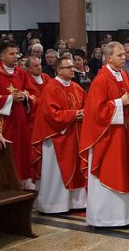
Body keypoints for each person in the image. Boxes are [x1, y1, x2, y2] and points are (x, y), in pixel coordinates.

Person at [79, 42, 129, 227]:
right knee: (111, 171)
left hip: (124, 134)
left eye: (124, 54)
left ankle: (127, 216)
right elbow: (96, 112)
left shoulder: (125, 75)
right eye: (119, 55)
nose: (123, 57)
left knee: (126, 171)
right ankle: (106, 218)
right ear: (108, 58)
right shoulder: (101, 80)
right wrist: (119, 103)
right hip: (107, 137)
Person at [31, 55, 87, 214]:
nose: (72, 70)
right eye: (69, 67)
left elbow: (87, 105)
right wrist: (74, 114)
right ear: (59, 70)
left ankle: (76, 202)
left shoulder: (76, 87)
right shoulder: (51, 88)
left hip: (75, 135)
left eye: (72, 67)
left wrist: (83, 113)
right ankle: (54, 204)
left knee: (76, 168)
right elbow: (50, 114)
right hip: (56, 137)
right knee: (56, 172)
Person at [0, 41, 38, 187]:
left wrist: (24, 96)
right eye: (11, 54)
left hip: (22, 121)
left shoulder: (21, 73)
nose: (15, 56)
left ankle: (25, 184)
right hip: (4, 122)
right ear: (2, 56)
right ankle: (6, 185)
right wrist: (11, 98)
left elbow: (33, 93)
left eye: (16, 53)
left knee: (23, 151)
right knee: (8, 153)